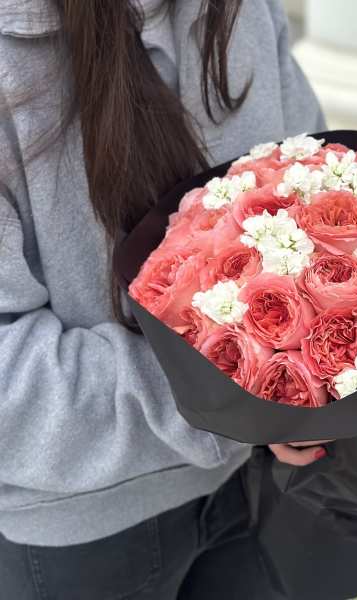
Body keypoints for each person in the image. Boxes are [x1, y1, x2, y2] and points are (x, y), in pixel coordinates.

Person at [0, 1, 328, 597]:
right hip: (81, 528)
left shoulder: (238, 11)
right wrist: (234, 393)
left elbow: (311, 175)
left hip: (258, 483)